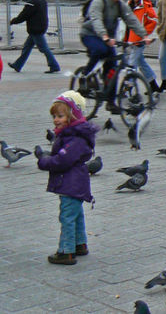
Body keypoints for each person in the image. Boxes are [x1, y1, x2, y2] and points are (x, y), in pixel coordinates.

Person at [37, 91, 98, 265]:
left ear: (73, 115)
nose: (56, 119)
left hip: (71, 184)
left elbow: (63, 160)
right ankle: (80, 244)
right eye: (54, 116)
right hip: (74, 183)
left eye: (61, 116)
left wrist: (45, 161)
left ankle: (66, 251)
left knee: (67, 217)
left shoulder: (75, 139)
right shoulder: (71, 135)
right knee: (76, 215)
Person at [79, 0, 147, 112]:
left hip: (108, 38)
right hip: (90, 34)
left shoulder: (120, 5)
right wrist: (104, 36)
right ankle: (85, 76)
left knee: (113, 69)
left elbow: (131, 19)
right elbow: (96, 20)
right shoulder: (99, 2)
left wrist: (144, 35)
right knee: (100, 50)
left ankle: (110, 102)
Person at [8, 0, 60, 74]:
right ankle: (18, 65)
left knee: (44, 48)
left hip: (35, 29)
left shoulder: (33, 2)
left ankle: (54, 65)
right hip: (39, 28)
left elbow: (24, 15)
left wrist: (13, 21)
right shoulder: (42, 0)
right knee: (26, 48)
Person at [124, 0, 159, 92]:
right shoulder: (128, 5)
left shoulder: (145, 6)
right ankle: (153, 84)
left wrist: (144, 33)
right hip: (130, 38)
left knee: (132, 62)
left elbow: (153, 20)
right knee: (140, 62)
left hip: (139, 40)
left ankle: (128, 86)